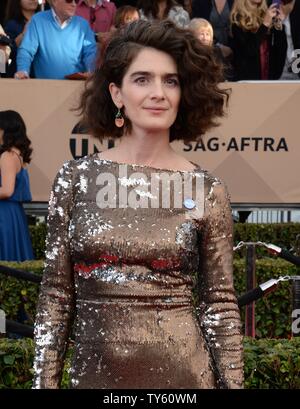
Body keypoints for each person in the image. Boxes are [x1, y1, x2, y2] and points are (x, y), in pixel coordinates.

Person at [32, 19, 244, 389]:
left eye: (171, 81)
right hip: (94, 381)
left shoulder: (207, 190)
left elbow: (220, 307)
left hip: (185, 381)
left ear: (184, 93)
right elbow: (55, 297)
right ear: (117, 93)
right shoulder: (76, 180)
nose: (158, 93)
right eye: (142, 79)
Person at [15, 0, 97, 79]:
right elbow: (26, 50)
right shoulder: (38, 20)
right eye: (69, 0)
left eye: (76, 0)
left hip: (75, 87)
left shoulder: (83, 24)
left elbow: (91, 53)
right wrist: (23, 71)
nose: (74, 4)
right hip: (44, 87)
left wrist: (93, 71)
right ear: (54, 1)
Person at [0, 110, 34, 262]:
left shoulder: (7, 156)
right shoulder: (16, 154)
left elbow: (7, 190)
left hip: (4, 213)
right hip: (11, 213)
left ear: (6, 131)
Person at [229, 0, 287, 80]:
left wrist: (279, 22)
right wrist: (265, 24)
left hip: (269, 77)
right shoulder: (237, 18)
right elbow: (249, 50)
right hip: (246, 79)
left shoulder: (266, 14)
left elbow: (281, 48)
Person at [4, 0, 40, 77]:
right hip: (19, 73)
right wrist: (25, 32)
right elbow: (9, 50)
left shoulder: (45, 20)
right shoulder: (12, 24)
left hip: (41, 72)